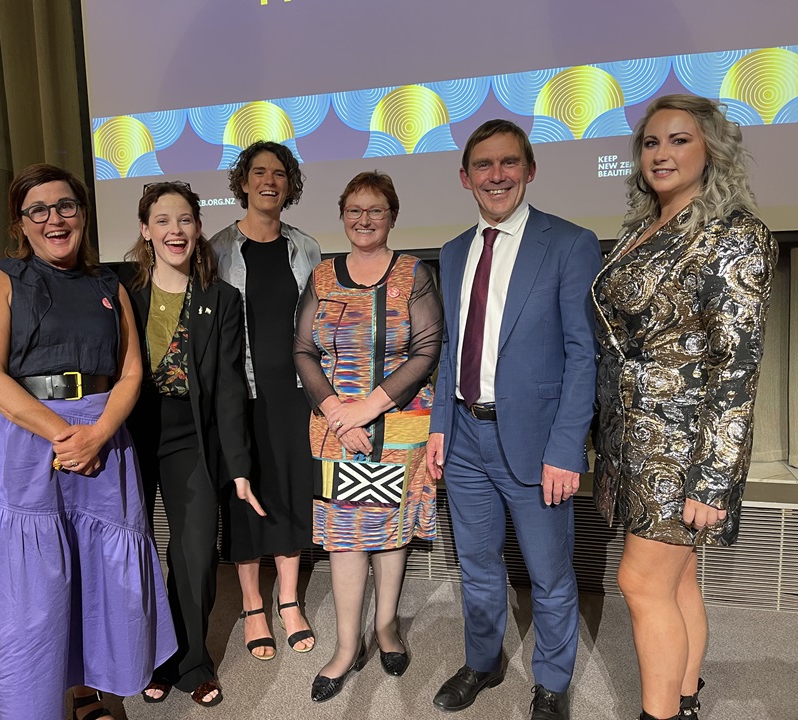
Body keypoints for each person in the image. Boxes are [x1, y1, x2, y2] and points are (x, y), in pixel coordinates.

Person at [0, 164, 176, 720]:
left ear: (83, 214)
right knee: (33, 589)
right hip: (32, 441)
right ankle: (39, 702)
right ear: (21, 222)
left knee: (102, 574)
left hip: (104, 440)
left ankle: (97, 692)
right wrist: (64, 435)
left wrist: (99, 433)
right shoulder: (0, 279)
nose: (55, 219)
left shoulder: (110, 285)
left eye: (66, 206)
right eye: (40, 209)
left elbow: (132, 372)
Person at [592, 95, 777, 720]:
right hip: (633, 437)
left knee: (640, 584)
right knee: (676, 580)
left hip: (686, 444)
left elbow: (738, 365)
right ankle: (687, 697)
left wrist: (715, 477)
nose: (661, 154)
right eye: (651, 143)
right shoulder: (645, 227)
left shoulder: (734, 233)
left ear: (712, 151)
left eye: (679, 140)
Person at [426, 120, 602, 720]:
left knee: (550, 577)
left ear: (529, 170)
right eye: (483, 165)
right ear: (465, 177)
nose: (496, 175)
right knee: (476, 566)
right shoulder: (452, 252)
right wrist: (439, 429)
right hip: (466, 437)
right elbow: (452, 348)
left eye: (508, 163)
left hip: (534, 442)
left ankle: (552, 683)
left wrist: (566, 449)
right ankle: (484, 661)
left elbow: (583, 353)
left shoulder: (571, 243)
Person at [294, 171, 443, 702]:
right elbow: (303, 352)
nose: (364, 219)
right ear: (342, 215)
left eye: (375, 210)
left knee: (390, 531)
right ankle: (345, 644)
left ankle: (386, 628)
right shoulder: (323, 275)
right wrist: (339, 412)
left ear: (392, 216)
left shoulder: (413, 274)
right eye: (354, 210)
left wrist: (369, 409)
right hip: (337, 430)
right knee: (346, 536)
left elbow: (428, 349)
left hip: (401, 426)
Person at [118, 181, 264, 707]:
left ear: (198, 228)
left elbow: (228, 385)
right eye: (163, 221)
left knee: (196, 553)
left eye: (185, 220)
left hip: (192, 439)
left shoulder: (221, 299)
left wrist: (240, 465)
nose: (175, 230)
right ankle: (150, 658)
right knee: (128, 555)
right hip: (128, 435)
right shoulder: (121, 293)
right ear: (145, 230)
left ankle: (191, 661)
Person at [211, 141, 322, 660]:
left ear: (290, 185)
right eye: (259, 172)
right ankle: (253, 605)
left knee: (289, 493)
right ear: (243, 182)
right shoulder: (216, 251)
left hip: (295, 392)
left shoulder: (307, 248)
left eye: (279, 174)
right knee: (245, 495)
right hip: (241, 394)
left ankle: (289, 600)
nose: (269, 181)